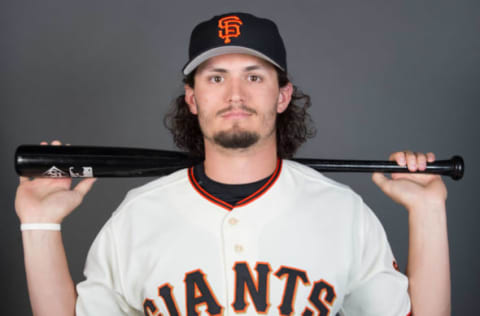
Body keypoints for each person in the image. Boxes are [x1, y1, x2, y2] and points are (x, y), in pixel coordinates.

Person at [15, 12, 450, 316]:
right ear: (192, 98)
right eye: (216, 77)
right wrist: (38, 224)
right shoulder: (138, 214)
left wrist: (427, 212)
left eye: (254, 76)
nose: (235, 95)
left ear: (282, 96)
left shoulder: (342, 211)